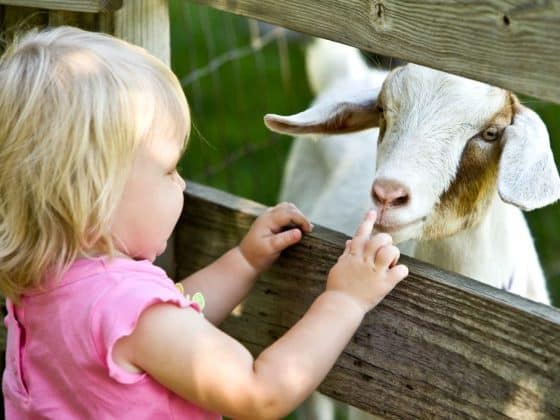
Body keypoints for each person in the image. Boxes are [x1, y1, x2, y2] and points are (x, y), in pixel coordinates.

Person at [0, 26, 408, 419]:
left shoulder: (48, 284)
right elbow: (260, 392)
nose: (181, 182)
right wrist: (344, 300)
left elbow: (173, 318)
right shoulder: (131, 313)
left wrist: (243, 263)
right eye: (169, 169)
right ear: (94, 194)